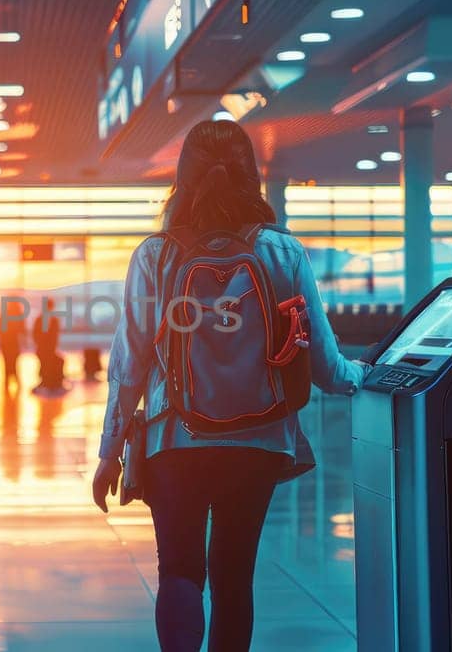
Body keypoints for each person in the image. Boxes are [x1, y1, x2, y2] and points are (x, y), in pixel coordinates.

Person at [89, 119, 363, 652]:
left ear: (182, 179)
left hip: (175, 442)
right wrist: (370, 375)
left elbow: (130, 364)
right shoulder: (283, 253)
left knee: (180, 574)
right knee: (234, 579)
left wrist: (110, 451)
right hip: (258, 442)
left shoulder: (156, 255)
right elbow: (328, 367)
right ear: (252, 176)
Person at [31, 297, 65, 394]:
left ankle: (49, 382)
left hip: (44, 349)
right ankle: (50, 382)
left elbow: (35, 334)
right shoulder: (52, 320)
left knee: (49, 363)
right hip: (46, 349)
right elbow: (54, 336)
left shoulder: (41, 319)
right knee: (49, 363)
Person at [0, 303, 25, 386]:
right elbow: (22, 329)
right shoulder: (18, 316)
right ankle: (14, 379)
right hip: (12, 343)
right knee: (13, 362)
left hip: (6, 343)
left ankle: (8, 380)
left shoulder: (5, 315)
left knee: (7, 362)